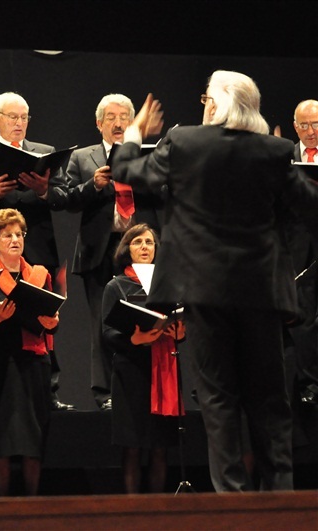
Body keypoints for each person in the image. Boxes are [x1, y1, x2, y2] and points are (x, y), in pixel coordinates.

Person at [111, 71, 318, 492]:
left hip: (203, 292)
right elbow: (311, 208)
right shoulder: (275, 152)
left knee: (219, 400)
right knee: (269, 401)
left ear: (214, 104)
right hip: (261, 295)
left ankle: (232, 503)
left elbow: (128, 170)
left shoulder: (184, 142)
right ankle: (280, 500)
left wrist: (133, 133)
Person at [0, 92, 72, 411]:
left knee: (45, 316)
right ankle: (4, 386)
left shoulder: (44, 153)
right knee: (5, 317)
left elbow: (62, 198)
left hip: (38, 247)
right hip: (0, 252)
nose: (19, 123)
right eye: (13, 117)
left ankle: (49, 391)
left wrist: (43, 190)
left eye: (24, 118)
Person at [65, 94, 164, 411]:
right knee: (102, 324)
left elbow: (162, 193)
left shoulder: (145, 156)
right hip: (100, 249)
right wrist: (92, 185)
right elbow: (67, 199)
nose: (119, 122)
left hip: (141, 248)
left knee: (150, 318)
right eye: (111, 117)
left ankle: (154, 387)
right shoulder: (83, 158)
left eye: (125, 116)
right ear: (99, 123)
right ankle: (105, 392)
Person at [0, 208, 59, 496]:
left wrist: (53, 323)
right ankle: (2, 506)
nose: (14, 240)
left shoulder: (39, 274)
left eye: (19, 234)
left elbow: (50, 320)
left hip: (34, 364)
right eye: (6, 235)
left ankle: (32, 505)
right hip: (0, 365)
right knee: (1, 437)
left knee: (33, 438)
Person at [101, 223, 183, 493]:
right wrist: (133, 340)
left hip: (164, 370)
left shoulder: (168, 283)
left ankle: (157, 514)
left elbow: (179, 319)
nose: (145, 247)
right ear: (127, 249)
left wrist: (179, 333)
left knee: (160, 449)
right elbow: (107, 332)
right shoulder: (116, 286)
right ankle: (132, 514)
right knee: (133, 449)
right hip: (130, 374)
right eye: (137, 242)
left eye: (149, 242)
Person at [285, 99, 318, 409]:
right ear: (296, 127)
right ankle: (307, 383)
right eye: (305, 125)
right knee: (303, 313)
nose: (311, 131)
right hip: (298, 242)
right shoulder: (286, 155)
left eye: (317, 125)